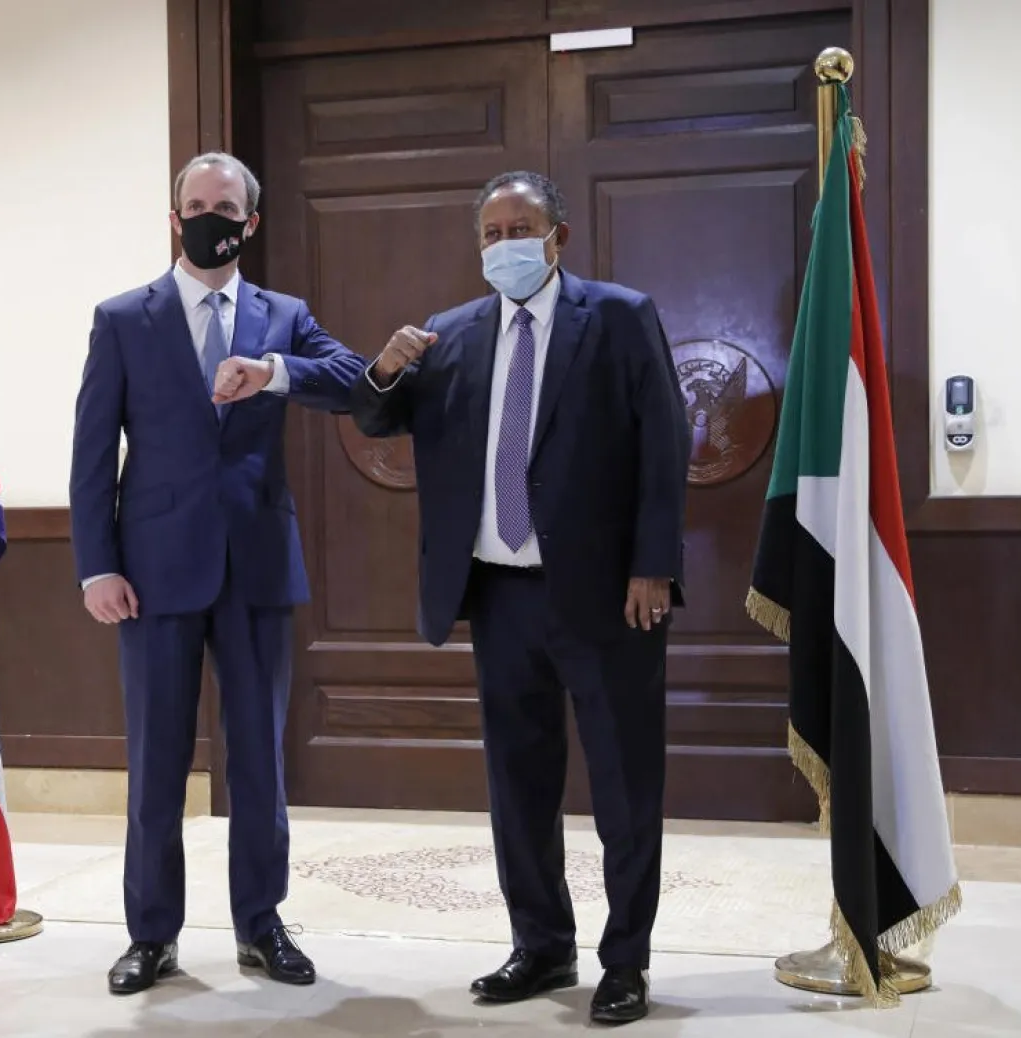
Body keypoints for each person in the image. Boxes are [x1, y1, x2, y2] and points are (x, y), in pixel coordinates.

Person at [348, 171, 689, 1026]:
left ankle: (625, 962)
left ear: (559, 238)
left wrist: (653, 564)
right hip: (498, 596)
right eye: (491, 233)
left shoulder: (617, 315)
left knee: (623, 784)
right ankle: (541, 945)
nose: (505, 245)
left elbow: (663, 443)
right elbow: (378, 420)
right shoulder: (452, 334)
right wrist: (384, 371)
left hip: (609, 596)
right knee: (519, 785)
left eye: (521, 228)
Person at [69, 152, 365, 996]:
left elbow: (351, 383)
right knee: (156, 761)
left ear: (250, 222)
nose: (208, 217)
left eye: (223, 206)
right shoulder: (125, 318)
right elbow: (93, 453)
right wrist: (97, 566)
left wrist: (275, 373)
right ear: (175, 219)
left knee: (261, 763)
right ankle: (151, 936)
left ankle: (260, 926)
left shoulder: (284, 315)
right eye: (194, 205)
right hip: (152, 575)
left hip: (258, 570)